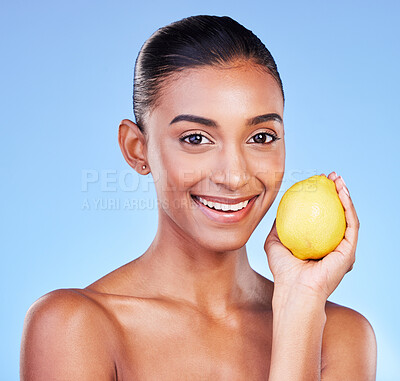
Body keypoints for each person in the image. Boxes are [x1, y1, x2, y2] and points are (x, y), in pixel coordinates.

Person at [20, 15, 377, 380]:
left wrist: (300, 305)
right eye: (195, 139)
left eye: (261, 137)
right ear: (137, 149)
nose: (234, 176)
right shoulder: (74, 326)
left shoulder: (340, 335)